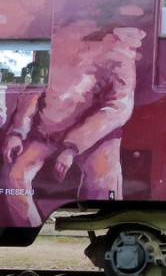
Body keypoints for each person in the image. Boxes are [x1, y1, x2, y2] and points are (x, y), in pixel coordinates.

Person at [1, 18, 145, 226]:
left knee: (103, 184)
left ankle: (114, 228)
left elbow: (118, 107)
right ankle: (28, 229)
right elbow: (33, 92)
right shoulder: (56, 43)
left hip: (96, 135)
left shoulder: (119, 54)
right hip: (47, 131)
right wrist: (17, 132)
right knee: (15, 175)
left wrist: (72, 146)